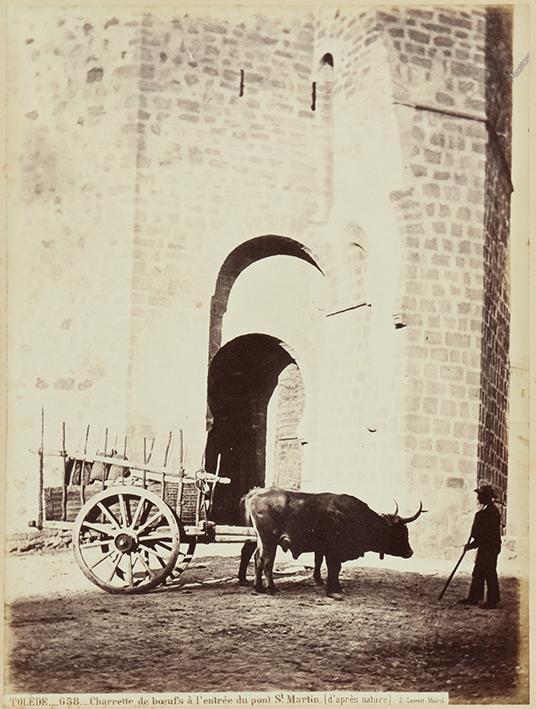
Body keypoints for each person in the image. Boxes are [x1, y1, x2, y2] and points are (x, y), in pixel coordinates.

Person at [459, 484, 502, 609]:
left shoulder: (491, 512)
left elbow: (486, 534)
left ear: (486, 497)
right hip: (485, 546)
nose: (478, 497)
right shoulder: (484, 511)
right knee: (478, 571)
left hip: (490, 547)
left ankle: (493, 601)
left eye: (480, 495)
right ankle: (474, 598)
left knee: (489, 572)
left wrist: (472, 545)